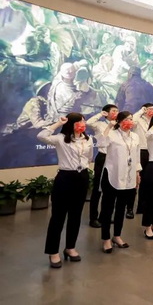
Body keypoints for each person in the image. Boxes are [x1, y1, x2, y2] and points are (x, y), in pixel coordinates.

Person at [37, 113, 92, 268]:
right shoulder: (61, 139)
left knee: (76, 215)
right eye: (79, 121)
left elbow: (89, 157)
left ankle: (70, 247)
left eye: (83, 121)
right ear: (71, 124)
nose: (82, 124)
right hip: (65, 178)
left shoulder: (88, 139)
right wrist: (58, 123)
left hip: (82, 177)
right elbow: (41, 136)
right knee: (58, 216)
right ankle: (53, 251)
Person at [97, 111, 141, 253]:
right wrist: (109, 127)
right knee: (107, 208)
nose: (130, 122)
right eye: (127, 119)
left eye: (131, 119)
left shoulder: (135, 136)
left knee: (121, 208)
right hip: (112, 175)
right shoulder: (112, 134)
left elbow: (137, 156)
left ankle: (117, 236)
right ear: (119, 121)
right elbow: (101, 144)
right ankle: (106, 238)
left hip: (128, 176)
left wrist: (137, 172)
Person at [86, 104, 119, 228]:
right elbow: (89, 123)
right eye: (113, 111)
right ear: (107, 112)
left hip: (114, 157)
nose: (116, 113)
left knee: (111, 188)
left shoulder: (118, 126)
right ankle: (93, 218)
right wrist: (100, 114)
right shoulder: (100, 124)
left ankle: (105, 216)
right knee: (98, 188)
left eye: (117, 111)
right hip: (103, 157)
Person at [131, 103, 153, 218]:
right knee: (135, 179)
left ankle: (142, 206)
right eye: (149, 109)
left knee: (146, 180)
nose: (152, 111)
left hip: (151, 151)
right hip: (140, 150)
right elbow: (132, 122)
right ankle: (130, 207)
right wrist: (141, 111)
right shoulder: (138, 119)